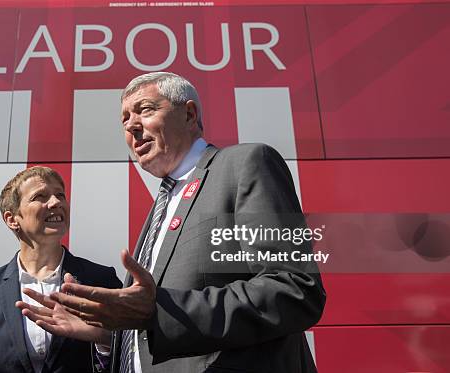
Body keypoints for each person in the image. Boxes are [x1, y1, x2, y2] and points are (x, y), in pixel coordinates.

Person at [18, 73, 326, 372]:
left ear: (190, 114)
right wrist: (108, 333)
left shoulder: (244, 165)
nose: (132, 126)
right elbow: (157, 328)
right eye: (125, 120)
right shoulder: (163, 207)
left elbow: (294, 289)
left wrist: (157, 311)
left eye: (145, 110)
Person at [0, 166, 122, 373]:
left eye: (60, 195)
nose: (56, 202)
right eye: (40, 196)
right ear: (12, 219)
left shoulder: (101, 280)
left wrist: (103, 338)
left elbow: (132, 360)